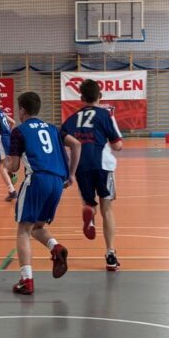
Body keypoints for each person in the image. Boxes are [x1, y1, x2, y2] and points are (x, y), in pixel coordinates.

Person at [4, 91, 81, 295]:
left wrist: (5, 163)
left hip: (37, 179)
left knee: (23, 230)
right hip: (57, 182)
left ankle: (26, 280)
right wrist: (71, 174)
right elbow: (76, 144)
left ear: (22, 110)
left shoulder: (19, 131)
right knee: (37, 227)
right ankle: (55, 247)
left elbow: (14, 166)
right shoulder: (53, 128)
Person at [60, 78, 124, 271]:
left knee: (90, 203)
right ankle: (110, 254)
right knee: (107, 209)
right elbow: (117, 145)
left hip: (81, 166)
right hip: (103, 164)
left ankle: (89, 210)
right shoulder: (105, 114)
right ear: (100, 96)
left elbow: (61, 138)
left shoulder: (73, 118)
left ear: (81, 98)